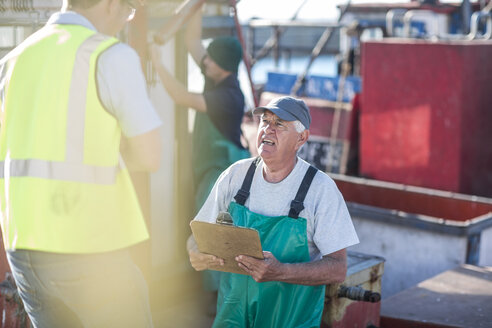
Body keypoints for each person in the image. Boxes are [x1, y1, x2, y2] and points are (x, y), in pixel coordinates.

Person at [0, 0, 162, 326]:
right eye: (130, 8)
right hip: (89, 247)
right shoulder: (110, 55)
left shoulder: (12, 60)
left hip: (23, 248)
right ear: (111, 3)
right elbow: (150, 155)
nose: (128, 17)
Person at [187, 96, 359, 327]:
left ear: (302, 138)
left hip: (289, 320)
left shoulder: (321, 190)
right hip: (232, 319)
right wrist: (195, 251)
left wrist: (282, 272)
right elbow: (197, 236)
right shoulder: (235, 175)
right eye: (265, 121)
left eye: (279, 124)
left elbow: (338, 268)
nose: (268, 129)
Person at [151, 3, 250, 297]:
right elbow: (192, 41)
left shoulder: (229, 96)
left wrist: (156, 61)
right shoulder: (215, 74)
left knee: (212, 229)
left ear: (224, 66)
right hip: (208, 165)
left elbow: (182, 97)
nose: (204, 62)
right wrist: (196, 5)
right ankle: (211, 289)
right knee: (205, 226)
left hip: (222, 168)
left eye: (211, 60)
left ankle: (215, 296)